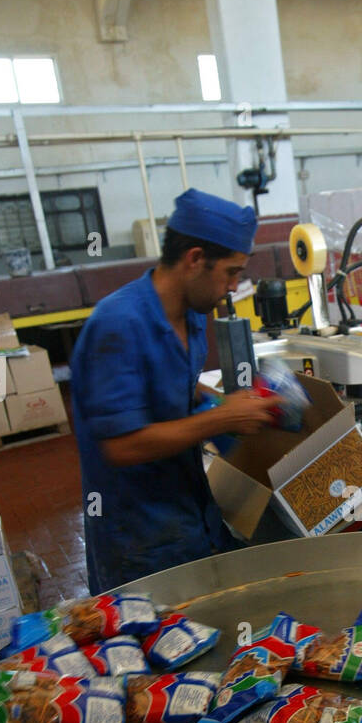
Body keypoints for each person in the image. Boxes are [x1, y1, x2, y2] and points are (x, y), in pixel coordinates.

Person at [72, 188, 283, 592]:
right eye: (231, 272)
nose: (234, 286)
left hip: (190, 514)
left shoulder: (193, 316)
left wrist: (222, 403)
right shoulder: (118, 325)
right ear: (195, 260)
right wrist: (221, 419)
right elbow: (121, 446)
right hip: (138, 538)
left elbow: (179, 387)